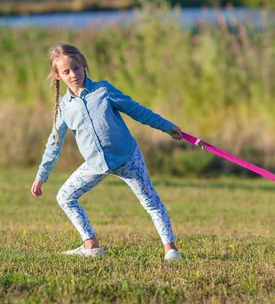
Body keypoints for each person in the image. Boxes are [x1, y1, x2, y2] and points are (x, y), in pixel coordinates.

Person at [31, 44, 183, 261]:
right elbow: (53, 145)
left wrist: (166, 126)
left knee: (151, 202)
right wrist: (40, 176)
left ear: (84, 65)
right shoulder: (64, 107)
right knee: (65, 196)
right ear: (57, 76)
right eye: (66, 71)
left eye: (77, 68)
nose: (74, 74)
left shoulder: (103, 90)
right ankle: (91, 246)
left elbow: (137, 111)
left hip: (127, 158)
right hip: (95, 165)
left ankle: (170, 249)